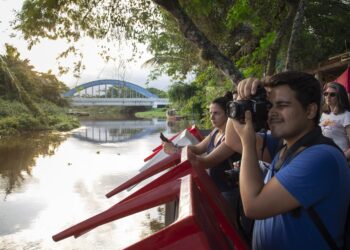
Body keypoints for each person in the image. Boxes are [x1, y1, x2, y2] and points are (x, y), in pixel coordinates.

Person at [228, 71, 350, 249]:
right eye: (270, 105)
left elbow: (254, 206)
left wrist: (248, 144)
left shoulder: (321, 157)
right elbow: (232, 140)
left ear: (310, 110)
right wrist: (241, 100)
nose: (272, 113)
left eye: (282, 105)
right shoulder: (283, 145)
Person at [163, 92, 241, 203]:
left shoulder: (231, 138)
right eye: (210, 113)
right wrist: (176, 147)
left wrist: (175, 151)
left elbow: (206, 162)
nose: (211, 117)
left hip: (228, 192)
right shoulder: (215, 131)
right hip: (215, 189)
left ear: (228, 114)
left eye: (216, 113)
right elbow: (197, 149)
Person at [320, 82, 350, 161]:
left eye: (332, 94)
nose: (328, 97)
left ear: (340, 97)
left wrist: (342, 158)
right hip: (324, 156)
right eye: (326, 94)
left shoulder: (346, 115)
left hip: (339, 158)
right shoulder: (324, 114)